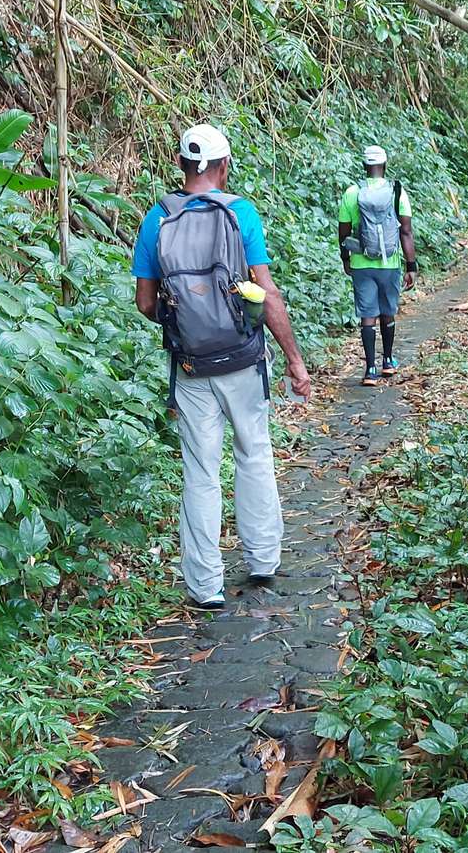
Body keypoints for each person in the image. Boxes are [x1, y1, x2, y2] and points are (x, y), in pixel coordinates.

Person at [133, 123, 313, 610]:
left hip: (192, 366)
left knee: (200, 471)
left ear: (181, 165)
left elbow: (145, 303)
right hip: (243, 360)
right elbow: (266, 293)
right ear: (223, 165)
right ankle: (262, 560)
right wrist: (295, 360)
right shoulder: (240, 213)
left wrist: (186, 319)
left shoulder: (157, 218)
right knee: (253, 453)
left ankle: (205, 586)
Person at [337, 146, 418, 386]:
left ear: (364, 166)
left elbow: (344, 232)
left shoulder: (352, 193)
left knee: (367, 314)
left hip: (362, 264)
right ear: (384, 165)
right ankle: (388, 361)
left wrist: (346, 259)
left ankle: (370, 369)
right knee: (387, 311)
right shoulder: (397, 192)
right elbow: (406, 231)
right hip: (389, 263)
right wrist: (411, 265)